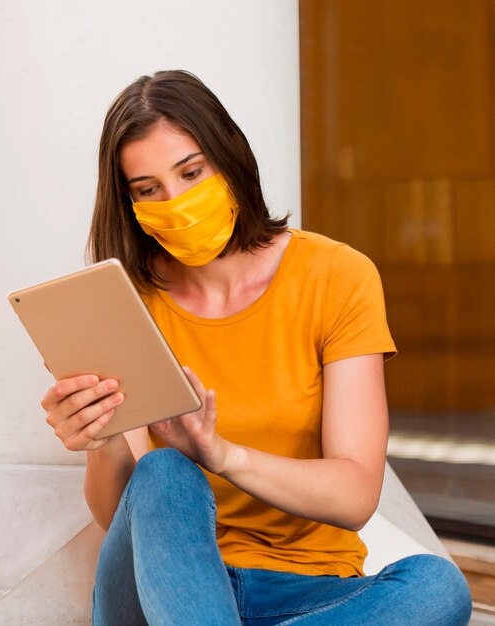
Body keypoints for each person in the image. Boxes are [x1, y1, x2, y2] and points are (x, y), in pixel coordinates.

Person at [41, 70, 471, 625]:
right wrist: (101, 441)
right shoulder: (126, 302)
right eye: (148, 190)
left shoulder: (336, 277)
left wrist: (223, 454)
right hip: (167, 591)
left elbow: (355, 494)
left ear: (231, 156)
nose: (176, 201)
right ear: (129, 202)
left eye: (192, 172)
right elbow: (114, 516)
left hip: (310, 593)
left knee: (438, 589)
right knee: (166, 473)